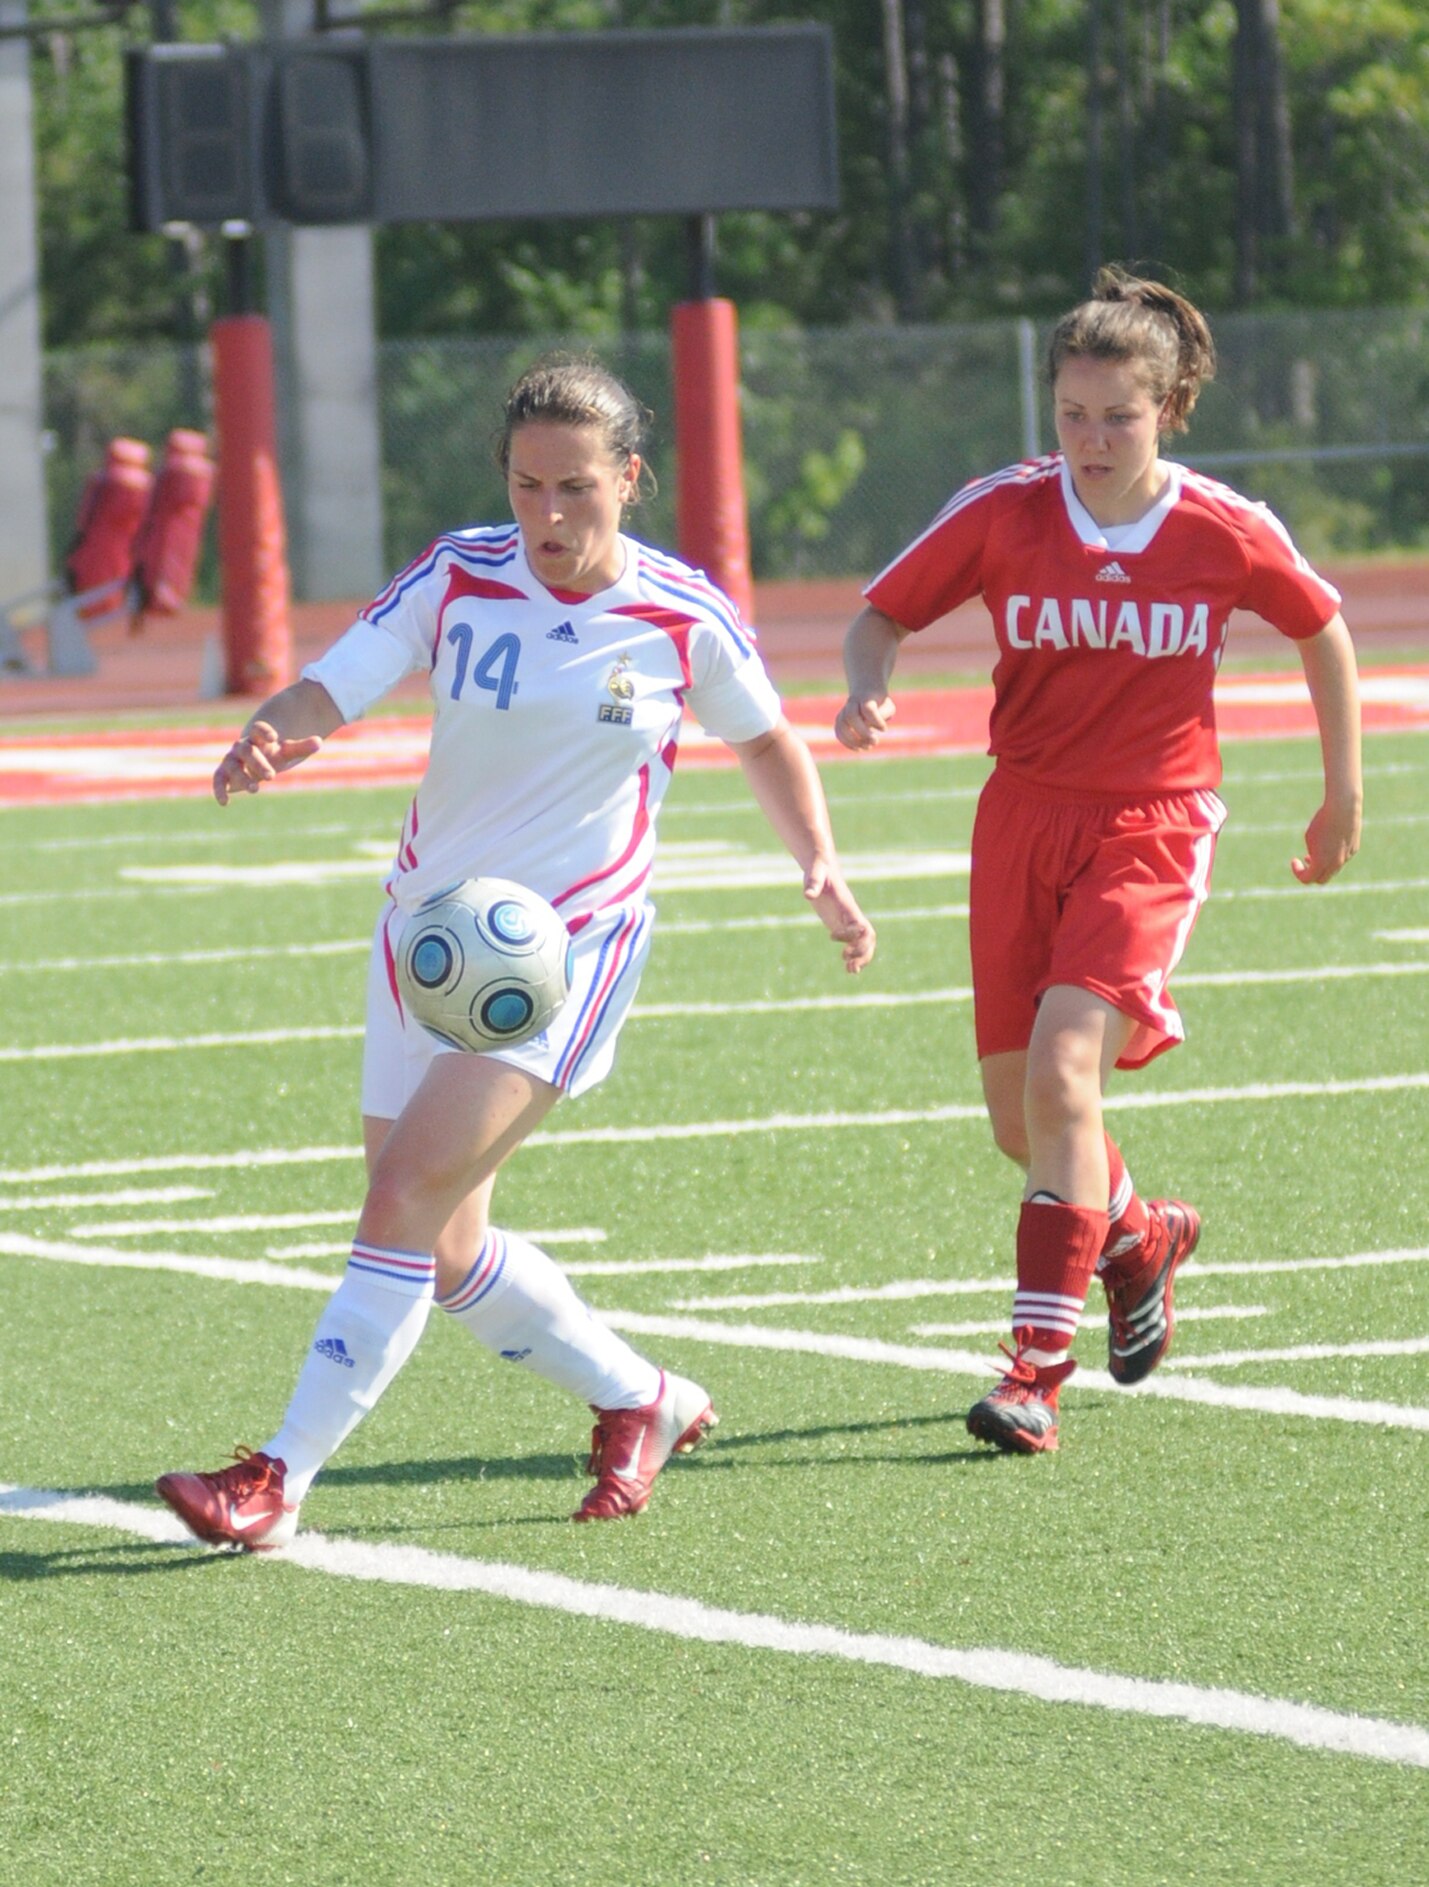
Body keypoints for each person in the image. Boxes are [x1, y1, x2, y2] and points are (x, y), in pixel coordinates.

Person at [157, 354, 875, 1548]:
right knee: (441, 1243)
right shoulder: (457, 573)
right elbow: (337, 685)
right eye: (527, 485)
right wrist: (273, 733)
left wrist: (819, 861)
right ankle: (641, 1398)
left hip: (562, 953)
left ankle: (278, 1478)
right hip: (426, 941)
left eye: (576, 489)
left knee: (399, 1194)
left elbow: (764, 742)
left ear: (628, 478)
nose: (547, 515)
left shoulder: (680, 613)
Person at [837, 267, 1361, 1454]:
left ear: (1168, 408)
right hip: (1019, 819)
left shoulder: (1220, 527)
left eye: (1116, 415)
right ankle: (1137, 1233)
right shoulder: (1004, 509)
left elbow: (1321, 624)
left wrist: (1342, 793)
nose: (1090, 438)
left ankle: (1033, 1367)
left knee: (1068, 1072)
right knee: (1024, 1121)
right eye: (1071, 414)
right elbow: (882, 613)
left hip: (1148, 823)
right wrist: (867, 682)